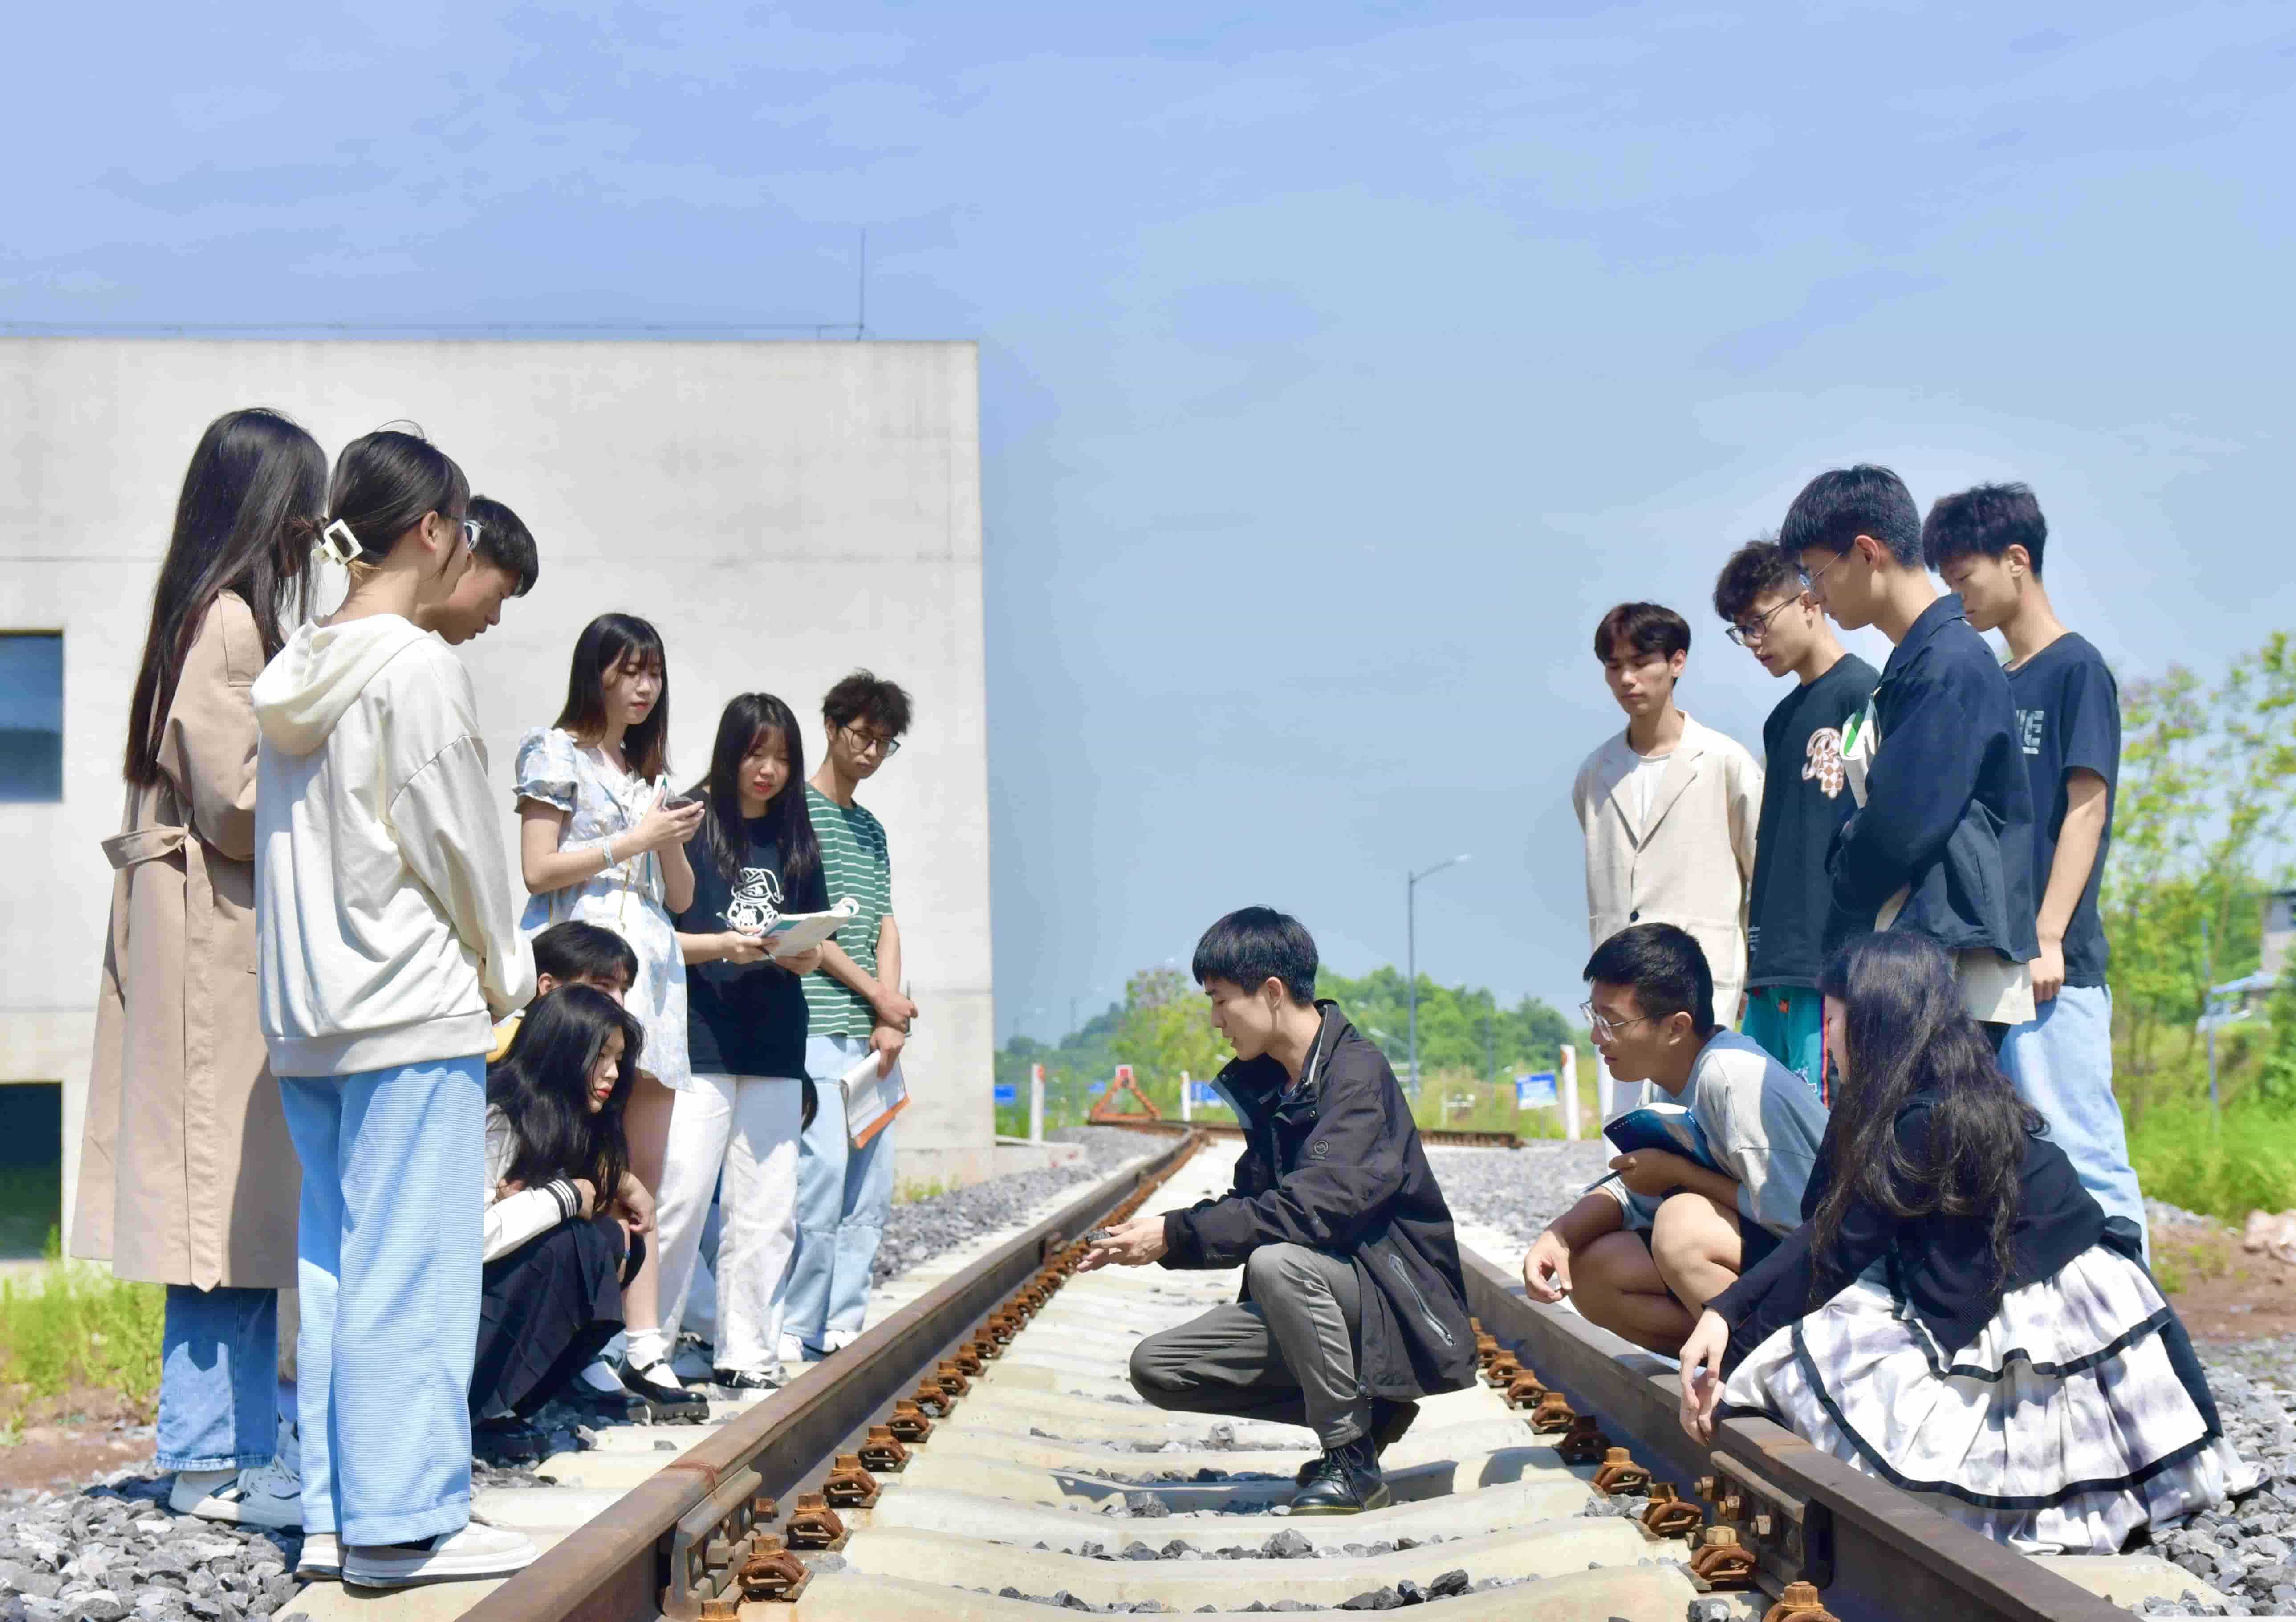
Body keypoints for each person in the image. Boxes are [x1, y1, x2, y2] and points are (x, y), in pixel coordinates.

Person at [1678, 933, 2249, 1554]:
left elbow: (1833, 1252)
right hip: (2007, 1281)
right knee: (1825, 1334)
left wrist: (1730, 1346)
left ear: (1874, 1023)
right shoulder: (1919, 1091)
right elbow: (1826, 1221)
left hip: (2053, 1310)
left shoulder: (1930, 1117)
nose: (1829, 1038)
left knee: (1814, 1347)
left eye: (1834, 1019)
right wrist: (1726, 1311)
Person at [253, 427, 536, 1586]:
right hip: (408, 1005)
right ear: (430, 531)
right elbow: (465, 845)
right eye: (463, 529)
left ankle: (331, 1514)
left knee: (335, 1270)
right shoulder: (415, 668)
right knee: (413, 1270)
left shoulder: (298, 669)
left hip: (311, 1017)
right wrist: (507, 973)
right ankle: (404, 1520)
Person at [73, 407, 328, 1532]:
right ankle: (206, 1455)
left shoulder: (200, 612)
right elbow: (234, 804)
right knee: (219, 1205)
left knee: (227, 1202)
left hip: (200, 931)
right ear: (267, 504)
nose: (315, 529)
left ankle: (222, 1449)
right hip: (211, 936)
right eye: (304, 504)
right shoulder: (229, 622)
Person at [1097, 908, 1476, 1517]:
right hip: (1323, 1301)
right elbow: (1253, 1203)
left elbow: (1309, 1211)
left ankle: (1351, 1462)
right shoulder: (1272, 1082)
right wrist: (1164, 1236)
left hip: (1395, 1305)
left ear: (1272, 992)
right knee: (1159, 1367)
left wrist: (1174, 1232)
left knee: (1278, 1262)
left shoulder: (1355, 1075)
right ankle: (1371, 1410)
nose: (1215, 1019)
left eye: (1220, 1000)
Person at [1926, 483, 2144, 1244]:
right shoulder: (1995, 679)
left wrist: (2050, 933)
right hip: (1995, 961)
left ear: (2015, 560)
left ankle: (2144, 1339)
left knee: (2086, 1155)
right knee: (2016, 1165)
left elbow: (2087, 805)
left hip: (2055, 963)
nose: (1958, 599)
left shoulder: (2075, 668)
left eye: (1964, 578)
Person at [514, 614, 707, 1420]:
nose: (643, 687)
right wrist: (637, 836)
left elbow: (685, 897)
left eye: (654, 673)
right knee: (578, 1159)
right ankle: (576, 1345)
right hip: (585, 978)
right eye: (629, 670)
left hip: (654, 981)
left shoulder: (645, 770)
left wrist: (666, 837)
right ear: (595, 672)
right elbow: (537, 866)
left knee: (647, 1177)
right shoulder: (552, 751)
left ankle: (644, 1342)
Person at [1778, 465, 2038, 1041]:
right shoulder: (1925, 660)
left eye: (1816, 572)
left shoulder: (1946, 664)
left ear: (1866, 552)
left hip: (1943, 961)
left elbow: (1896, 829)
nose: (1813, 595)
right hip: (1926, 950)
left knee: (1916, 1126)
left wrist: (1840, 869)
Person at [1519, 924, 1828, 1354]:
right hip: (1766, 1264)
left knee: (1682, 1227)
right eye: (1593, 1017)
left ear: (1675, 1027)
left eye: (1610, 1022)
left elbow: (1801, 1219)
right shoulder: (1664, 1074)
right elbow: (1635, 1186)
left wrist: (1682, 1175)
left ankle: (1776, 1373)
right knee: (1591, 1272)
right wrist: (1560, 1235)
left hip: (1831, 1274)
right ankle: (1735, 1363)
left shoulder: (1733, 1081)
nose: (1596, 1037)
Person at [661, 694, 830, 1389]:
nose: (768, 770)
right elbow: (661, 933)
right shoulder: (690, 820)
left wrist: (802, 954)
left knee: (767, 1209)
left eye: (783, 758)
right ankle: (649, 1346)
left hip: (774, 1040)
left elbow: (815, 944)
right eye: (757, 754)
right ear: (731, 750)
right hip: (701, 1038)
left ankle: (747, 1350)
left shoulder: (796, 833)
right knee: (681, 1194)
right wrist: (727, 947)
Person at [1571, 602, 1761, 1111]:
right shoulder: (1595, 773)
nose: (1627, 679)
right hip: (1618, 990)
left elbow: (1757, 877)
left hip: (1699, 979)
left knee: (1701, 1118)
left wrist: (1752, 973)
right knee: (1625, 1130)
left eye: (1641, 662)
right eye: (1614, 666)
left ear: (1677, 662)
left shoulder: (1725, 761)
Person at [1710, 541, 1878, 1098]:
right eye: (1741, 631)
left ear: (1809, 597)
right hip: (1770, 967)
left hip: (1828, 967)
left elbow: (1877, 831)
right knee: (1762, 1135)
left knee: (1824, 1131)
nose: (1754, 643)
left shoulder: (1865, 691)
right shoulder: (1779, 721)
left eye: (1760, 622)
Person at [785, 671, 916, 1362]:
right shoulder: (794, 815)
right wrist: (880, 997)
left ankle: (842, 1320)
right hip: (816, 1023)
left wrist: (890, 1014)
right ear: (832, 726)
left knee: (871, 1189)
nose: (870, 752)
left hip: (874, 1036)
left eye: (884, 743)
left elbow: (885, 922)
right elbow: (813, 931)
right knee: (821, 1179)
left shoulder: (871, 828)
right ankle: (797, 1324)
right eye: (862, 735)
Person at [473, 987, 654, 1462]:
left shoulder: (567, 1119)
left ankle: (507, 1406)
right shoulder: (499, 1114)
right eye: (601, 1057)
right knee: (574, 1244)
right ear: (564, 1050)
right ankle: (474, 1408)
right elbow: (465, 1240)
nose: (613, 1074)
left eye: (619, 1058)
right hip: (444, 1319)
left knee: (611, 1241)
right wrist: (562, 1196)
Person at [490, 920, 640, 1063]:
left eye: (624, 991)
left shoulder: (609, 1067)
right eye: (604, 986)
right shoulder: (492, 1050)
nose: (619, 1002)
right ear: (548, 987)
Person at [415, 496, 538, 647]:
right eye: (500, 595)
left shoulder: (384, 633)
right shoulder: (429, 663)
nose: (495, 619)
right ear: (463, 560)